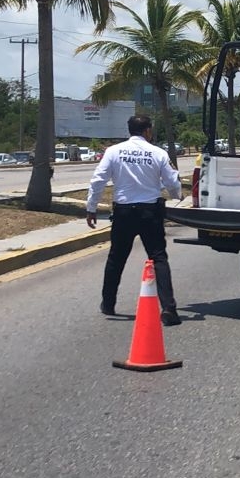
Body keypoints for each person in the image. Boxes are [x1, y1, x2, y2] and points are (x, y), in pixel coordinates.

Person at [86, 114, 184, 325]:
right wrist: (178, 196)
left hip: (123, 212)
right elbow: (172, 181)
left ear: (129, 130)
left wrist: (91, 208)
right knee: (158, 258)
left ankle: (108, 302)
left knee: (116, 258)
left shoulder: (113, 151)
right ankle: (168, 308)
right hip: (150, 212)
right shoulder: (158, 153)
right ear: (148, 130)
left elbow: (98, 180)